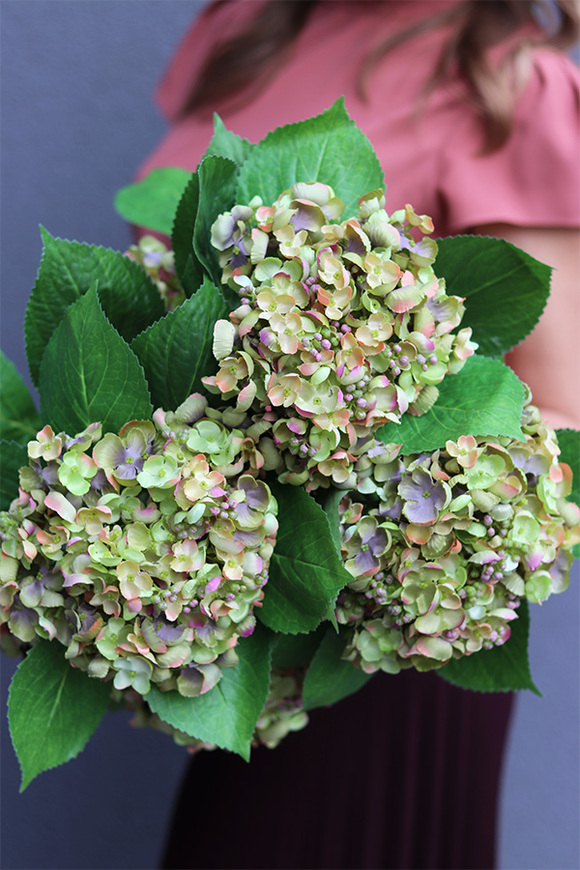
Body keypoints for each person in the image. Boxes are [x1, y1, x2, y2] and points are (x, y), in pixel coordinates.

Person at [136, 2, 580, 867]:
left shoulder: (511, 84)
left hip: (380, 641)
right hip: (222, 622)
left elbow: (561, 424)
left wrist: (349, 496)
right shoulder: (248, 23)